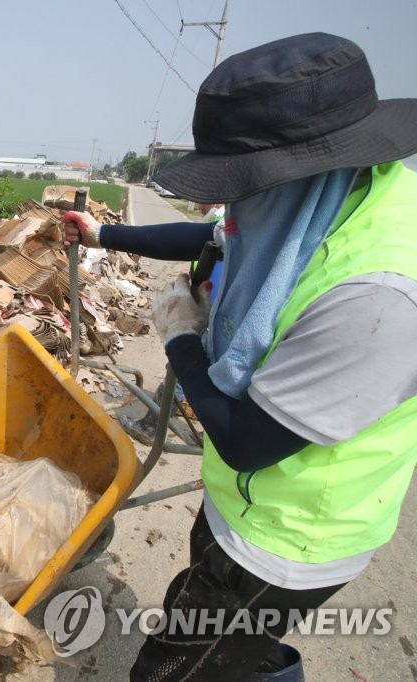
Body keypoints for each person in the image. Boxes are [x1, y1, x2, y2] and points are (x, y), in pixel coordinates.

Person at [63, 32, 417, 681]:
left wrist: (182, 337)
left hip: (287, 539)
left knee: (177, 670)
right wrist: (104, 233)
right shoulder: (326, 200)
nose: (224, 205)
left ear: (308, 164)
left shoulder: (378, 300)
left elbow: (245, 442)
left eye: (241, 184)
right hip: (246, 506)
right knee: (215, 635)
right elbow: (213, 236)